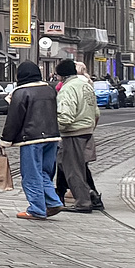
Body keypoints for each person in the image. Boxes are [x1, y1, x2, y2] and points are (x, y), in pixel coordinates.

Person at [1, 60, 63, 221]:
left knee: (31, 174)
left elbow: (14, 119)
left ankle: (36, 209)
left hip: (31, 138)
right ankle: (53, 201)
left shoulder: (21, 92)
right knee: (44, 172)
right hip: (52, 136)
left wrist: (5, 140)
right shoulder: (49, 90)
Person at [55, 58, 98, 214]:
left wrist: (56, 129)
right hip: (86, 131)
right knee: (69, 165)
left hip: (73, 133)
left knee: (73, 170)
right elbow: (96, 111)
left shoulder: (68, 89)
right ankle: (90, 194)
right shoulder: (85, 85)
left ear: (61, 76)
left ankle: (83, 202)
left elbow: (65, 116)